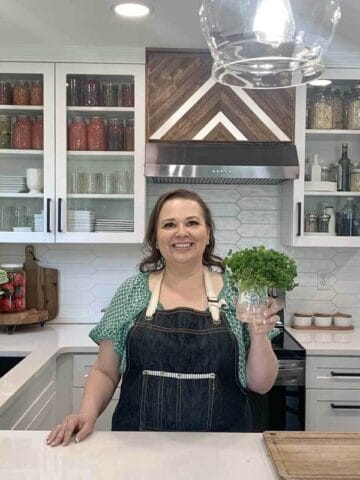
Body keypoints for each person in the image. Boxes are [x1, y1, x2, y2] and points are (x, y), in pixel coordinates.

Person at [47, 189, 279, 446]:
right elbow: (105, 370)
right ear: (156, 239)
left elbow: (261, 384)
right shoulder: (132, 291)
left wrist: (259, 336)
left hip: (224, 447)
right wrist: (85, 414)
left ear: (208, 233)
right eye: (169, 224)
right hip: (138, 446)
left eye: (192, 222)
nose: (181, 232)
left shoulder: (238, 291)